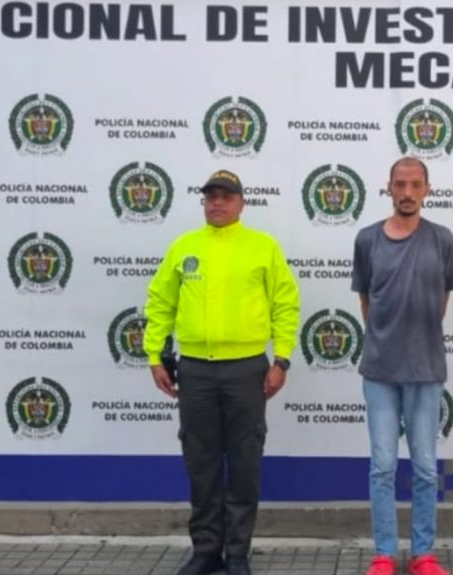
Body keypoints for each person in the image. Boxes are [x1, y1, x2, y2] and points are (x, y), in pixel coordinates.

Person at [144, 169, 300, 575]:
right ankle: (206, 551)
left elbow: (285, 305)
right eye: (210, 196)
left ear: (241, 203)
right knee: (202, 463)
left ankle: (237, 554)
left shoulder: (262, 248)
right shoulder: (184, 248)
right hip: (194, 371)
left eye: (226, 196)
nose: (217, 202)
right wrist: (155, 357)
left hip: (247, 370)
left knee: (245, 463)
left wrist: (281, 359)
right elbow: (160, 303)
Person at [352, 157, 453, 575]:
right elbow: (366, 301)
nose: (408, 192)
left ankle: (423, 555)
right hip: (379, 371)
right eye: (400, 184)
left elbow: (442, 299)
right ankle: (383, 554)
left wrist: (418, 338)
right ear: (389, 187)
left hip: (426, 371)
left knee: (425, 467)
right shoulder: (367, 240)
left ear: (427, 189)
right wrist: (388, 338)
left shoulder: (442, 240)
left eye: (416, 184)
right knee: (381, 466)